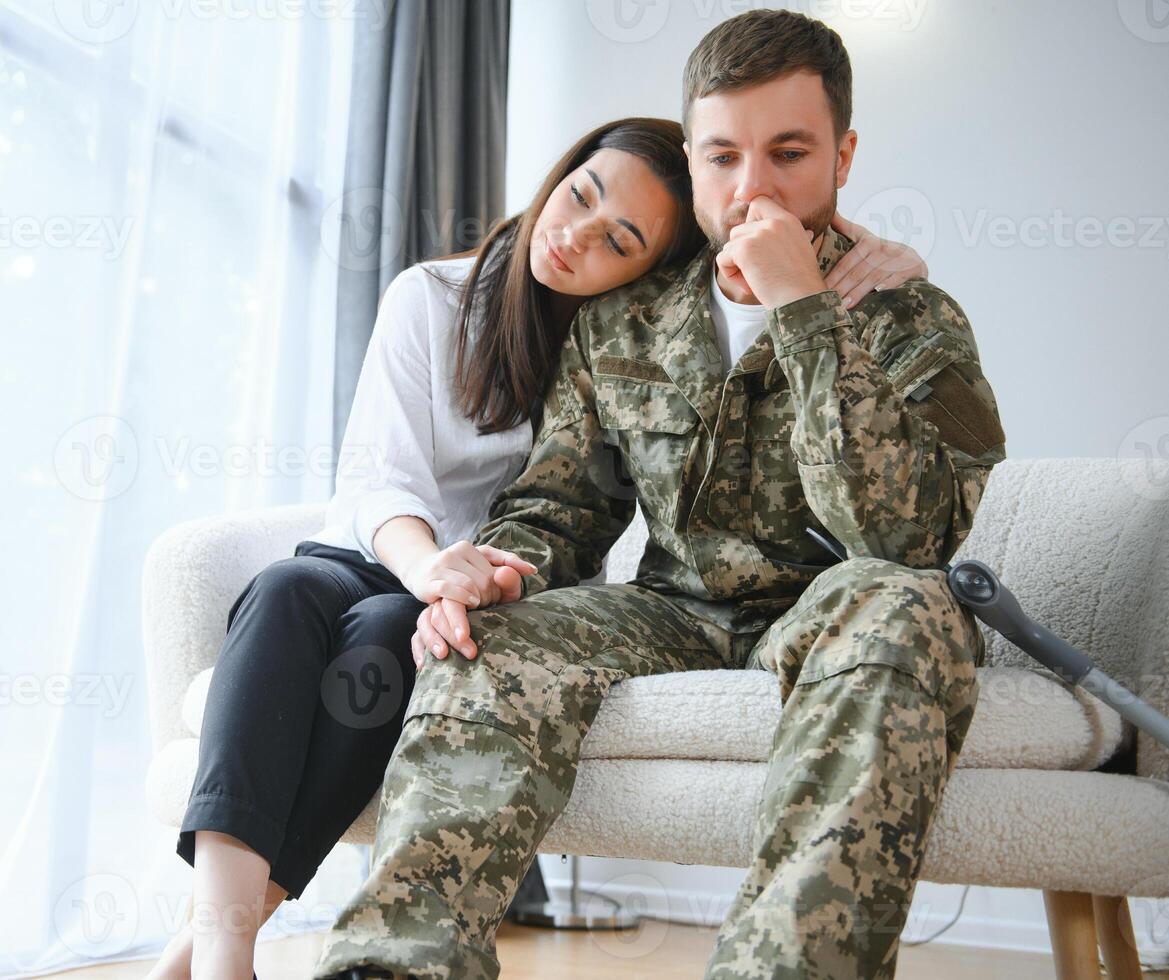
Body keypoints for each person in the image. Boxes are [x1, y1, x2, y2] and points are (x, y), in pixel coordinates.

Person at [146, 114, 929, 980]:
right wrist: (430, 566)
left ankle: (201, 949)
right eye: (578, 195)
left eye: (616, 239)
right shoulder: (434, 298)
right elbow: (379, 480)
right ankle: (222, 951)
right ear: (561, 173)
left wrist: (878, 260)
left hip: (494, 582)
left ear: (651, 266)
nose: (572, 236)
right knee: (287, 588)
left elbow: (575, 508)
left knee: (383, 638)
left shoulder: (630, 335)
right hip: (388, 552)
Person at [312, 10, 1008, 980]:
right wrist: (495, 574)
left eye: (790, 153)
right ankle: (392, 964)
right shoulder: (626, 314)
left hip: (846, 603)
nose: (752, 187)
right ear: (692, 157)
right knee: (494, 638)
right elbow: (563, 502)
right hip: (674, 608)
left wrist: (803, 309)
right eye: (723, 156)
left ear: (844, 154)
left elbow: (908, 538)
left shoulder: (913, 316)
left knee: (907, 608)